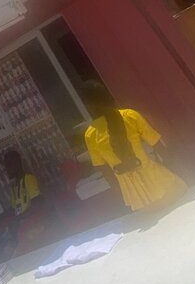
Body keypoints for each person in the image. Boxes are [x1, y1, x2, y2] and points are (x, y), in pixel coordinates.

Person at [80, 82, 187, 213]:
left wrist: (121, 193)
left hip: (137, 198)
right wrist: (174, 169)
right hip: (162, 183)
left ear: (88, 106)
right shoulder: (130, 115)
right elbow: (158, 145)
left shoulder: (91, 134)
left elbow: (104, 170)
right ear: (109, 97)